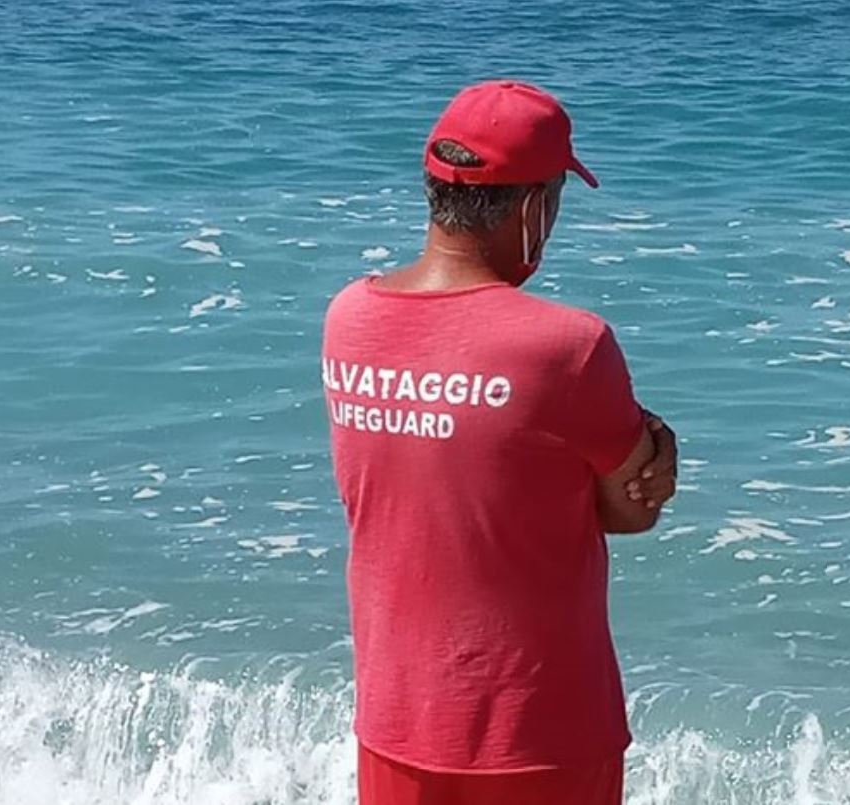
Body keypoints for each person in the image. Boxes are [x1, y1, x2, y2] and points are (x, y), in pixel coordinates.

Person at [322, 79, 678, 805]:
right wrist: (654, 446)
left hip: (397, 721)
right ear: (533, 206)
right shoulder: (569, 347)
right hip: (540, 731)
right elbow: (632, 506)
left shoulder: (348, 319)